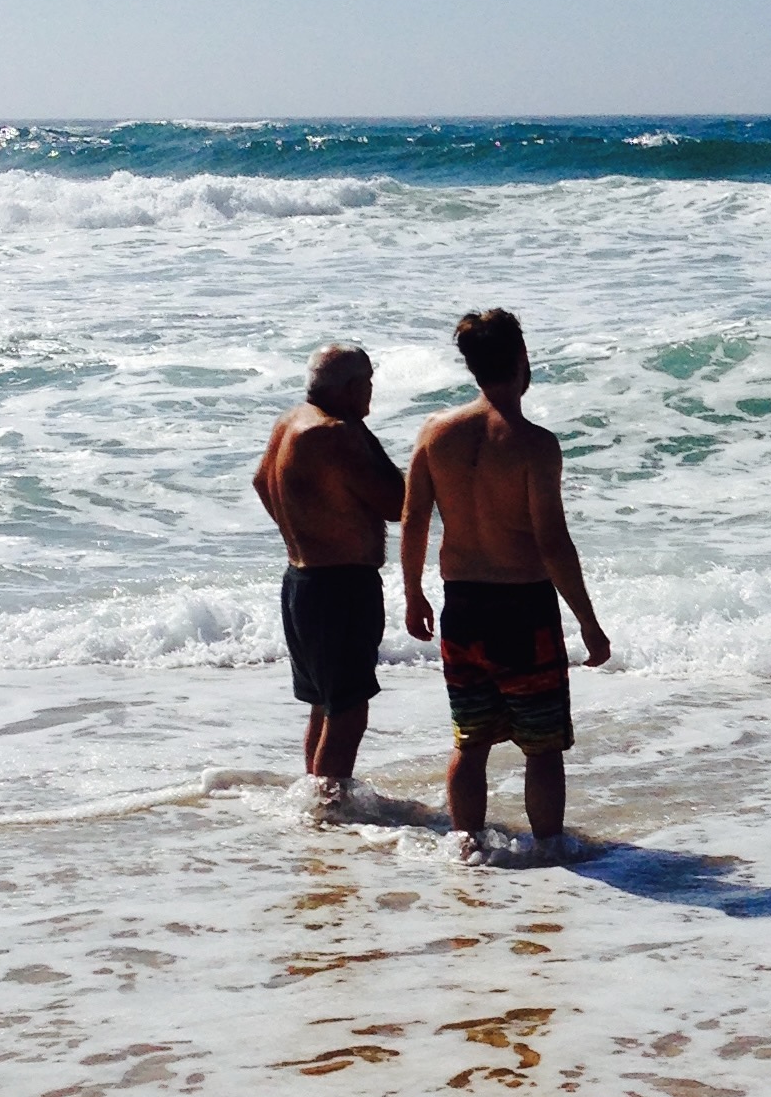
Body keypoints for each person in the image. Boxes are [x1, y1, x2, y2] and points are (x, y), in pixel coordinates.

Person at [402, 308, 610, 845]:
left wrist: (411, 594)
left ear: (472, 366)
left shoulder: (434, 433)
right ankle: (549, 855)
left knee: (469, 740)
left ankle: (465, 846)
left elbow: (414, 518)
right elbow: (553, 542)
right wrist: (587, 621)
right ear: (522, 360)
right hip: (523, 610)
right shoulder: (533, 444)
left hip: (462, 605)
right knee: (541, 747)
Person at [253, 343, 407, 791]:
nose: (372, 392)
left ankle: (316, 800)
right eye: (368, 383)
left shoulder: (290, 422)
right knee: (348, 711)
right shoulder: (337, 432)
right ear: (350, 387)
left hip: (302, 581)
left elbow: (262, 481)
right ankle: (329, 813)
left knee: (324, 704)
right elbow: (396, 502)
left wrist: (301, 528)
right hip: (339, 587)